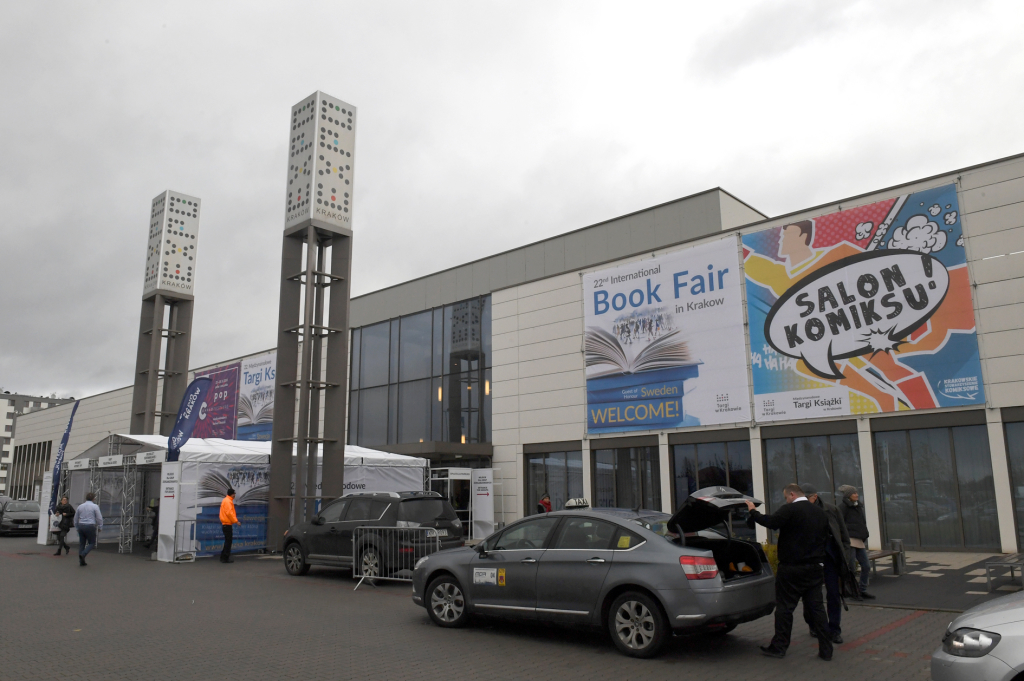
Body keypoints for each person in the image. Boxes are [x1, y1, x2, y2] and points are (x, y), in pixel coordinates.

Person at [745, 483, 833, 661]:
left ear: (792, 494)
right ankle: (826, 649)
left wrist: (753, 511)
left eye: (786, 497)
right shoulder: (820, 513)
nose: (786, 500)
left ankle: (779, 647)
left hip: (792, 568)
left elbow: (769, 522)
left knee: (785, 608)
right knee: (817, 609)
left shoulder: (790, 510)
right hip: (815, 568)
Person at [800, 484, 852, 644]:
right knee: (810, 596)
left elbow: (844, 537)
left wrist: (845, 558)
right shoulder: (799, 512)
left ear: (814, 497)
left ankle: (834, 629)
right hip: (811, 560)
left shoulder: (832, 510)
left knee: (834, 595)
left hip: (831, 559)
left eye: (806, 498)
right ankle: (813, 625)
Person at [838, 485, 875, 599]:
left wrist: (864, 533)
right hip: (850, 540)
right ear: (848, 496)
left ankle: (862, 589)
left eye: (856, 493)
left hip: (859, 539)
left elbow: (862, 522)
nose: (857, 495)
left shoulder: (858, 506)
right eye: (854, 493)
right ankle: (853, 592)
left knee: (866, 566)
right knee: (852, 568)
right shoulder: (843, 507)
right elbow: (840, 523)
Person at [73, 492, 103, 567]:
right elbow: (99, 518)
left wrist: (76, 526)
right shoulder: (95, 506)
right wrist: (100, 526)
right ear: (94, 498)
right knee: (92, 543)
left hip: (81, 525)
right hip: (90, 525)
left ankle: (81, 561)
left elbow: (76, 518)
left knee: (82, 543)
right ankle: (83, 554)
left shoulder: (80, 506)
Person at [219, 488, 241, 563]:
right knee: (228, 541)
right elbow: (229, 513)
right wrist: (236, 521)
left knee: (227, 541)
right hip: (227, 524)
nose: (234, 495)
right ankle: (225, 557)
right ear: (232, 494)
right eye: (234, 494)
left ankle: (223, 556)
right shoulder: (228, 502)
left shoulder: (226, 500)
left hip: (225, 523)